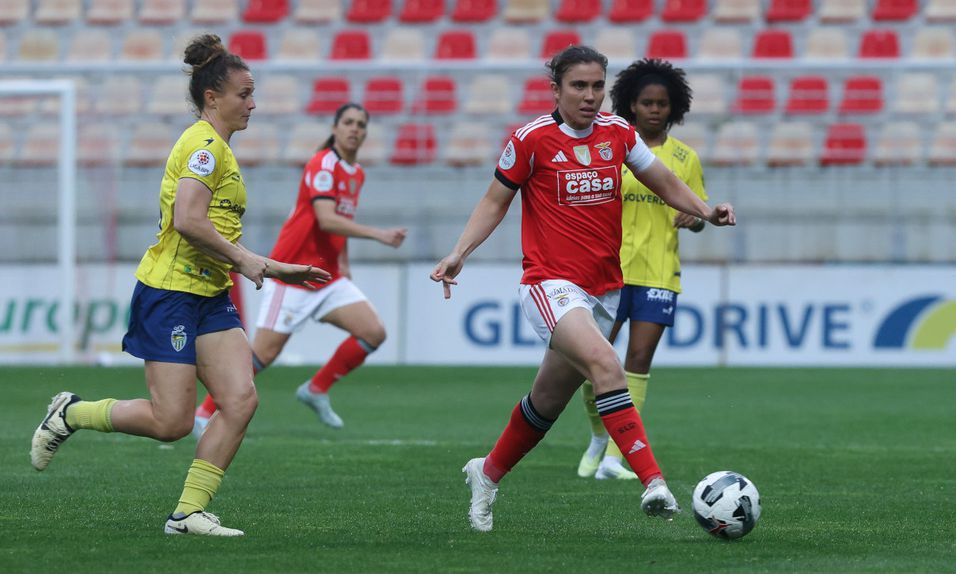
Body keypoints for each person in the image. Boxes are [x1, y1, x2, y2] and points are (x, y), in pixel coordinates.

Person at [29, 34, 330, 537]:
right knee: (171, 421)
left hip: (208, 294)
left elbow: (213, 229)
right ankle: (72, 413)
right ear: (213, 98)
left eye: (253, 93)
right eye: (244, 93)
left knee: (240, 400)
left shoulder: (219, 150)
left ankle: (188, 512)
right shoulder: (205, 149)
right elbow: (189, 220)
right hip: (170, 293)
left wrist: (272, 267)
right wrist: (249, 260)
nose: (253, 103)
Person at [431, 45, 735, 532]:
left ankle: (486, 473)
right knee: (605, 365)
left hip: (604, 291)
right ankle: (654, 482)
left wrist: (705, 210)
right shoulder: (531, 140)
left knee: (545, 403)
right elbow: (493, 202)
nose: (590, 96)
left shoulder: (618, 133)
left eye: (597, 86)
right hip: (549, 285)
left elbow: (662, 180)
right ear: (556, 89)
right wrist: (458, 253)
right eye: (578, 86)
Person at [193, 103, 407, 434]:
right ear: (335, 128)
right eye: (348, 122)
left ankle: (316, 389)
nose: (355, 129)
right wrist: (379, 234)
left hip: (328, 276)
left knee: (373, 331)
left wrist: (344, 264)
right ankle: (205, 413)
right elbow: (326, 218)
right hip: (293, 274)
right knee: (262, 355)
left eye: (361, 124)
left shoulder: (356, 172)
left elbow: (340, 223)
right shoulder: (322, 164)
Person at [577, 59, 709, 481]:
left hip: (658, 272)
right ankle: (599, 435)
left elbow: (699, 208)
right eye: (646, 103)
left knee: (636, 362)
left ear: (674, 108)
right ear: (630, 105)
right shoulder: (612, 146)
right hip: (608, 272)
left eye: (662, 104)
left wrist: (696, 219)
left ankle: (615, 459)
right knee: (590, 365)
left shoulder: (686, 158)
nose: (654, 110)